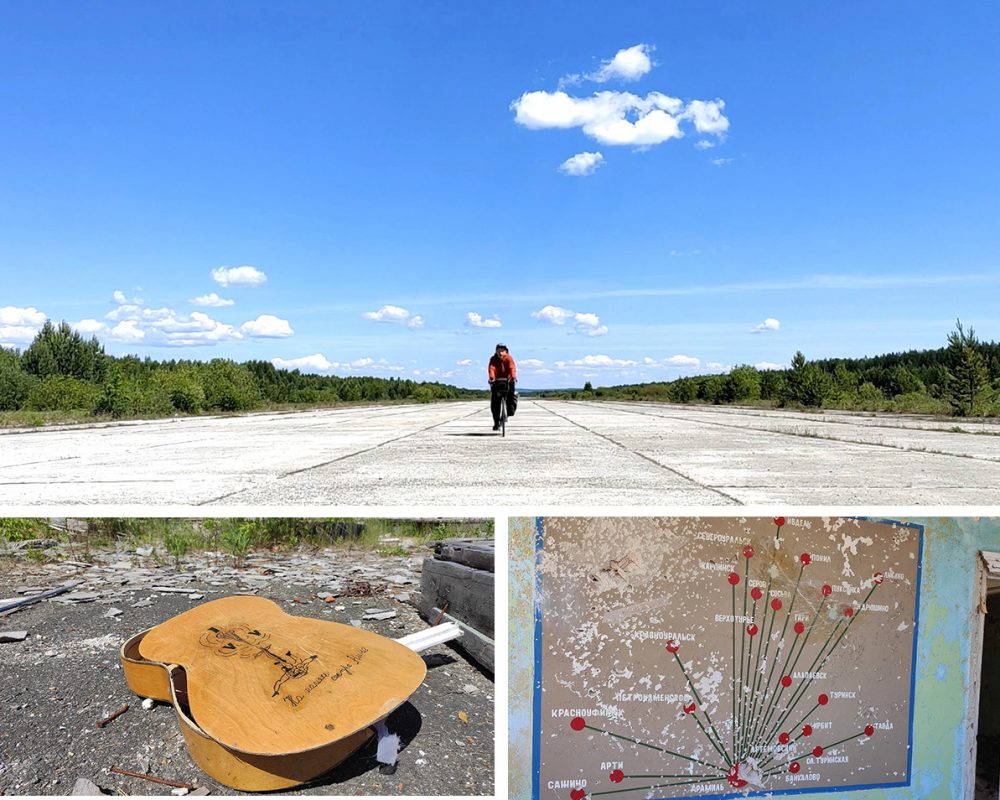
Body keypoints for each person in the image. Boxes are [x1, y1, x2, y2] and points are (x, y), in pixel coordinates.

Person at [488, 343, 517, 430]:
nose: (500, 353)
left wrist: (512, 377)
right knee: (495, 402)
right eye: (498, 351)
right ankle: (496, 422)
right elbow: (491, 368)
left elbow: (512, 367)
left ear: (506, 351)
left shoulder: (509, 358)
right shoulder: (493, 359)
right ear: (496, 351)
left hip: (508, 380)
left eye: (502, 351)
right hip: (496, 381)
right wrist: (492, 377)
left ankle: (508, 413)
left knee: (511, 397)